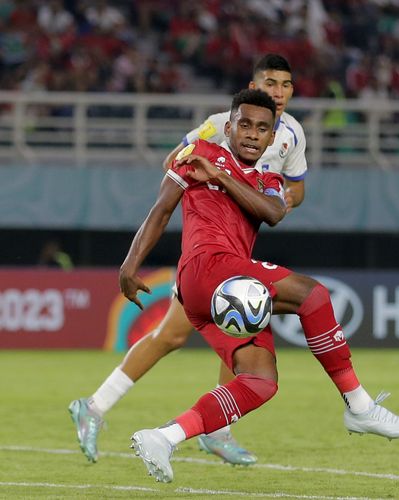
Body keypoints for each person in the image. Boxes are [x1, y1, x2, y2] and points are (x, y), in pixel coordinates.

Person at [119, 88, 399, 483]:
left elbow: (274, 213)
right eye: (244, 124)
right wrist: (129, 264)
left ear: (271, 136)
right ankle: (360, 406)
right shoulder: (202, 154)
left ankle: (164, 437)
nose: (252, 134)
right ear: (228, 126)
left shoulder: (268, 180)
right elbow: (161, 209)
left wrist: (223, 179)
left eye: (263, 128)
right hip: (206, 268)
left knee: (261, 382)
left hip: (224, 289)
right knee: (313, 296)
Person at [68, 54, 310, 466]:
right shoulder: (221, 124)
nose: (278, 91)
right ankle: (212, 429)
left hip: (240, 250)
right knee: (232, 330)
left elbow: (297, 190)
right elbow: (173, 165)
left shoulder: (292, 136)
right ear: (253, 84)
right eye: (270, 82)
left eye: (285, 85)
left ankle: (95, 407)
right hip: (209, 252)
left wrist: (276, 202)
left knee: (177, 336)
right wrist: (216, 183)